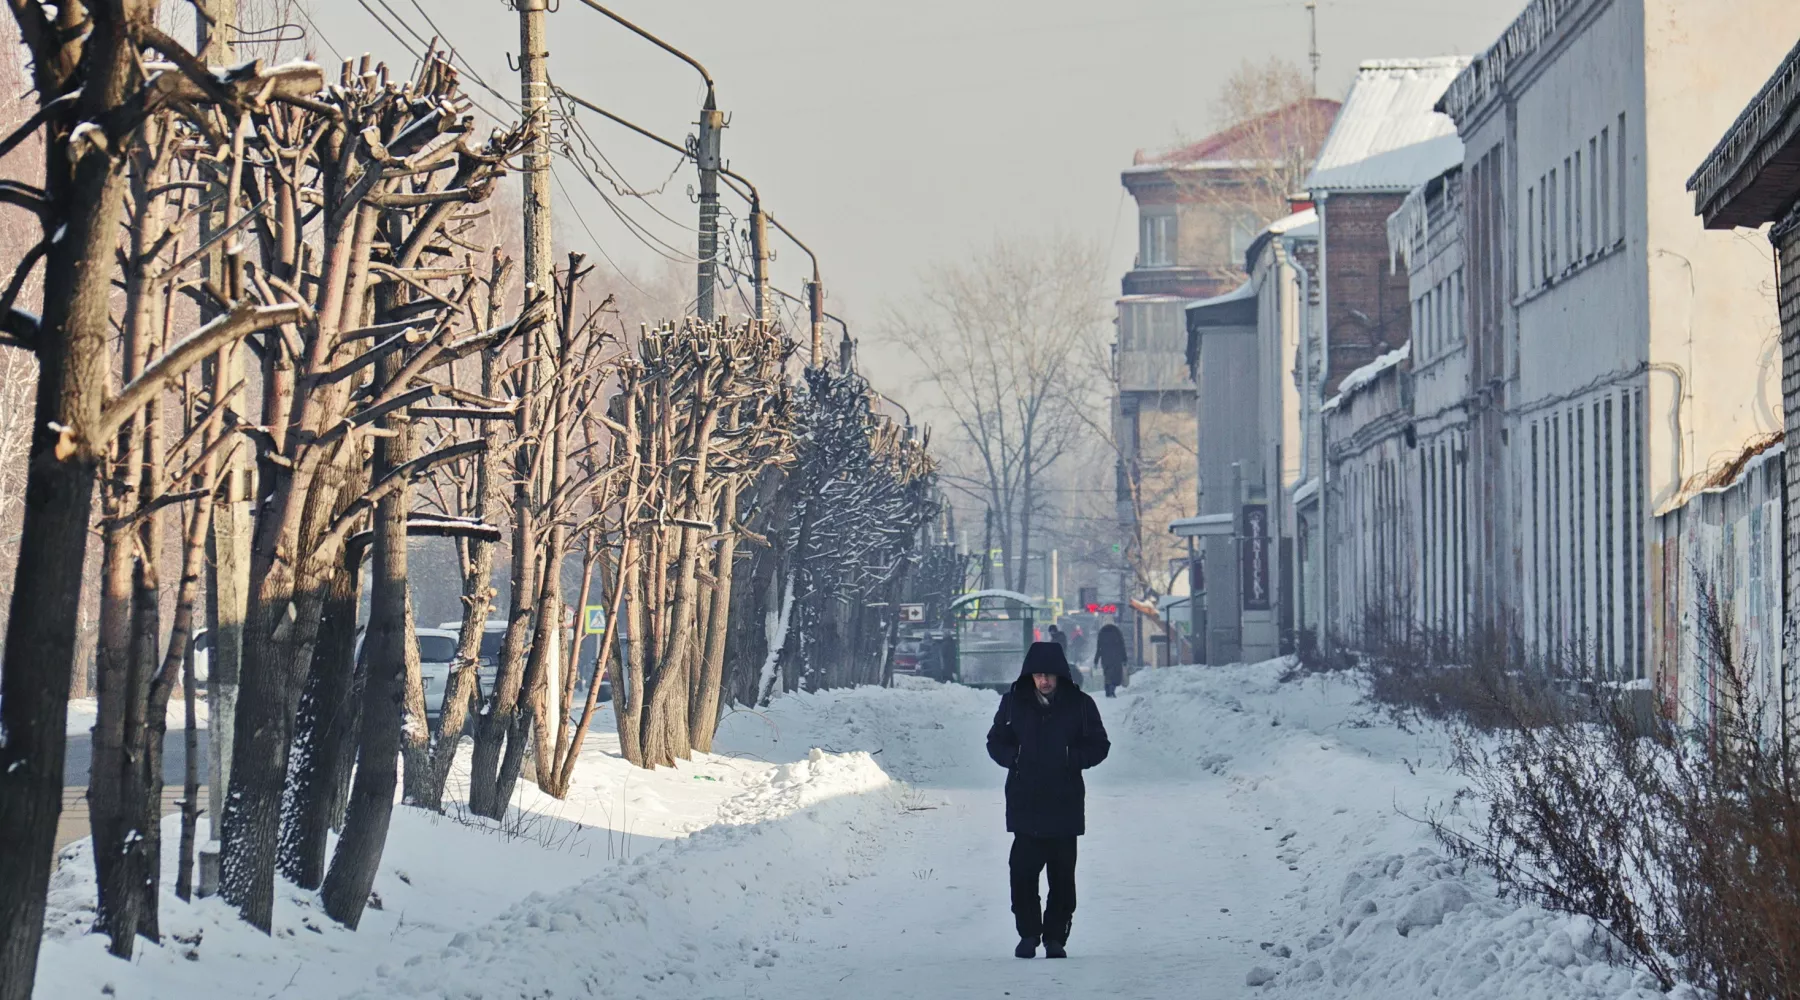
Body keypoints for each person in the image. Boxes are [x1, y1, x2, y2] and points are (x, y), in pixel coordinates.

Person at [985, 641, 1110, 959]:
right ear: (1030, 675)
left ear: (1060, 676)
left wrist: (1072, 757)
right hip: (1025, 802)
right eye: (1039, 675)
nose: (1044, 681)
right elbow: (995, 741)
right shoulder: (1013, 703)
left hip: (1064, 804)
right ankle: (1028, 934)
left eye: (1050, 676)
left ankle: (1055, 938)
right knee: (1022, 875)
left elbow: (1099, 745)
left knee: (1062, 879)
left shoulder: (1080, 705)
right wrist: (1014, 758)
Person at [1094, 621, 1128, 698]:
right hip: (1116, 658)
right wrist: (1124, 659)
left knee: (1107, 675)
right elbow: (1122, 646)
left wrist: (1096, 660)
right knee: (1115, 675)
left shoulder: (1102, 633)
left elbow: (1098, 648)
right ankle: (1111, 690)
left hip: (1105, 658)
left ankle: (1108, 690)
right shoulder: (1117, 632)